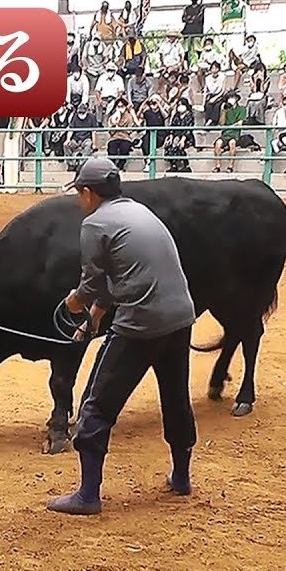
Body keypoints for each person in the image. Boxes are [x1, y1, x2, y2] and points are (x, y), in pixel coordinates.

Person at [48, 157, 198, 515]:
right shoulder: (138, 212)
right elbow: (123, 276)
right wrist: (94, 319)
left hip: (141, 324)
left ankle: (87, 495)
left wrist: (74, 303)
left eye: (79, 193)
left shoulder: (94, 223)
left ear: (88, 193)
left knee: (95, 404)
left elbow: (90, 284)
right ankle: (181, 476)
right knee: (175, 395)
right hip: (180, 317)